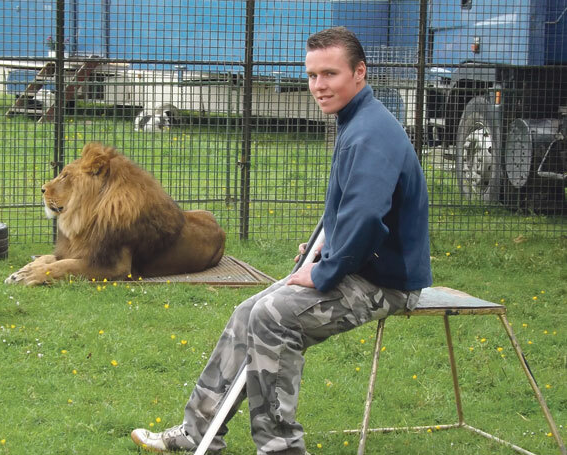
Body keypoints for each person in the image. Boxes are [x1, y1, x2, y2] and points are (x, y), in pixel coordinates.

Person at [130, 26, 432, 455]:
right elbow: (353, 211)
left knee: (273, 316)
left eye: (330, 74)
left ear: (360, 72)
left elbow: (366, 219)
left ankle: (281, 449)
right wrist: (320, 251)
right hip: (362, 266)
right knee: (245, 313)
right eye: (311, 75)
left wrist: (326, 269)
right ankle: (197, 432)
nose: (318, 86)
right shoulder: (357, 120)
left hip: (387, 283)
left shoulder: (369, 134)